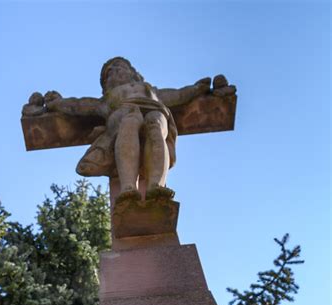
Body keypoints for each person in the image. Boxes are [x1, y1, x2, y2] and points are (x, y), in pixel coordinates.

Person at [23, 57, 235, 200]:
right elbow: (79, 105)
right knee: (130, 121)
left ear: (134, 73)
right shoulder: (107, 99)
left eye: (119, 67)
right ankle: (128, 189)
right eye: (109, 73)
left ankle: (156, 188)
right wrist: (55, 103)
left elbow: (178, 95)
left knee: (154, 124)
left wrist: (198, 89)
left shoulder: (150, 90)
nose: (114, 72)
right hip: (122, 114)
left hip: (155, 110)